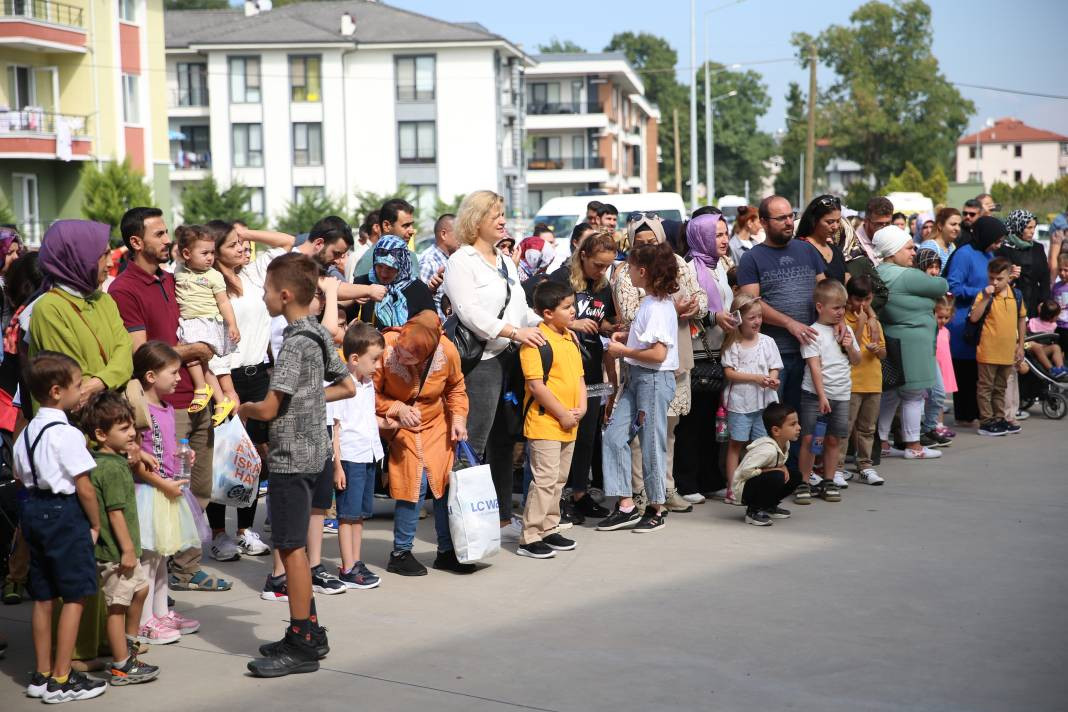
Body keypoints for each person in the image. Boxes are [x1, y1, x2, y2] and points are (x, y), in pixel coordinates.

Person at [238, 253, 356, 678]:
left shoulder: (292, 343)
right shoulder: (319, 335)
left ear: (284, 295)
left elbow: (270, 407)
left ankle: (303, 640)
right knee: (298, 548)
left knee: (291, 549)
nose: (264, 296)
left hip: (290, 459)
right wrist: (309, 401)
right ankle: (311, 631)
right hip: (318, 454)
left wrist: (244, 409)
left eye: (267, 290)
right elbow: (348, 384)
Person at [109, 208, 227, 593]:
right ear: (136, 242)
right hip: (163, 406)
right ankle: (165, 575)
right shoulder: (125, 289)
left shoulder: (172, 280)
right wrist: (190, 350)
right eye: (159, 234)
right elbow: (139, 353)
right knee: (169, 489)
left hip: (196, 394)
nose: (168, 241)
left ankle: (184, 566)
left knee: (200, 486)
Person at [443, 190, 543, 538]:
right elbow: (469, 312)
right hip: (480, 362)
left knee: (505, 440)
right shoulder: (462, 261)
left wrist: (546, 323)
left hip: (509, 357)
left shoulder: (505, 260)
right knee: (474, 442)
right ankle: (462, 522)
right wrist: (515, 331)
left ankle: (500, 514)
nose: (503, 220)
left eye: (502, 214)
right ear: (476, 221)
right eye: (495, 215)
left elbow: (519, 308)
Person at [16, 351, 106, 703]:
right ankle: (62, 677)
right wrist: (95, 523)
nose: (80, 391)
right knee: (74, 594)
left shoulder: (26, 433)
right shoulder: (67, 434)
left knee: (42, 596)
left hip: (34, 510)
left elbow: (23, 479)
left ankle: (41, 673)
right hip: (63, 511)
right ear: (57, 391)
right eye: (78, 385)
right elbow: (83, 485)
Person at [205, 221, 294, 560]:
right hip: (225, 376)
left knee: (252, 458)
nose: (243, 249)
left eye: (243, 243)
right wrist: (224, 391)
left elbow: (287, 240)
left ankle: (244, 530)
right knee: (224, 457)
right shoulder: (210, 285)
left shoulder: (256, 273)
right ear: (216, 252)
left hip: (259, 374)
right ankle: (218, 534)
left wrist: (248, 232)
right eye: (234, 245)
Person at [375, 311, 472, 576]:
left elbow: (456, 388)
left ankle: (447, 552)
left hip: (436, 422)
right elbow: (366, 392)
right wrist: (395, 407)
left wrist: (459, 419)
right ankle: (401, 553)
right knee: (413, 484)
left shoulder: (447, 351)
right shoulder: (386, 347)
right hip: (399, 425)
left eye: (412, 356)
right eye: (403, 352)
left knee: (443, 485)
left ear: (429, 351)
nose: (403, 358)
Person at [737, 195, 826, 477]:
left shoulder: (807, 250)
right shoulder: (752, 258)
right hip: (775, 356)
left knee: (806, 419)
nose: (789, 222)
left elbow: (825, 293)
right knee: (775, 420)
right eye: (781, 218)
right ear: (763, 222)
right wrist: (789, 323)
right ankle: (774, 474)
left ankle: (803, 474)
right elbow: (750, 302)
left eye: (791, 215)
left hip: (811, 352)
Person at [597, 242, 679, 533]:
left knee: (651, 445)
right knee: (613, 437)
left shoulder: (656, 306)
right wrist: (629, 336)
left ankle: (657, 507)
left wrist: (623, 351)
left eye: (629, 266)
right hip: (640, 378)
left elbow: (658, 355)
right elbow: (649, 342)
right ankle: (626, 505)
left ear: (642, 271)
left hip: (653, 380)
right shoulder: (652, 303)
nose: (625, 272)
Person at [81, 392, 160, 687]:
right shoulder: (111, 469)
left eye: (131, 427)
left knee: (140, 590)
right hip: (116, 552)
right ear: (101, 434)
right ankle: (122, 665)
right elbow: (115, 515)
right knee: (117, 606)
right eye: (124, 429)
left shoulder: (106, 461)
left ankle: (128, 643)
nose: (132, 433)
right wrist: (128, 550)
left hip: (121, 550)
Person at [131, 341, 204, 644]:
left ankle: (161, 612)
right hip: (149, 492)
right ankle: (144, 620)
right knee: (148, 560)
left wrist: (181, 457)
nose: (178, 378)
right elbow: (136, 459)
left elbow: (165, 448)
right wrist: (161, 482)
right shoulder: (139, 411)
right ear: (150, 376)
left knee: (162, 558)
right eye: (173, 372)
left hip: (169, 489)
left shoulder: (168, 408)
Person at [29, 220, 133, 411]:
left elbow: (125, 352)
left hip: (111, 424)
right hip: (74, 431)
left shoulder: (104, 300)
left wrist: (99, 382)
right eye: (103, 255)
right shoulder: (49, 308)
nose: (110, 263)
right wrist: (112, 378)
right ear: (79, 257)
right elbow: (72, 381)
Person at [549, 230, 615, 522]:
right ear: (583, 255)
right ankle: (559, 498)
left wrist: (612, 328)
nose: (602, 270)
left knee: (588, 434)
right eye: (598, 264)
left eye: (607, 266)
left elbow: (607, 319)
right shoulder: (561, 279)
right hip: (563, 370)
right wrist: (574, 324)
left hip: (593, 369)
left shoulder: (603, 286)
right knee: (565, 434)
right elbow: (541, 314)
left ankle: (580, 493)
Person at [516, 281, 585, 558]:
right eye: (566, 307)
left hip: (570, 421)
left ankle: (549, 526)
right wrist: (562, 414)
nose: (573, 311)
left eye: (572, 305)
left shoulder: (569, 338)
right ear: (547, 313)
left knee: (559, 479)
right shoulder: (536, 342)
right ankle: (529, 536)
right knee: (544, 480)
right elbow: (536, 386)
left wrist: (580, 408)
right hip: (546, 421)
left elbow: (579, 377)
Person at [675, 211, 735, 503]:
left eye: (725, 234)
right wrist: (714, 318)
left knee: (712, 421)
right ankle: (687, 482)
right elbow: (686, 309)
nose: (724, 240)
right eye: (717, 235)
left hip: (716, 353)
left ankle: (710, 478)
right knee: (691, 423)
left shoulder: (718, 267)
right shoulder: (688, 268)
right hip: (696, 353)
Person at [874, 226, 948, 459]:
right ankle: (913, 446)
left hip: (893, 339)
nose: (914, 252)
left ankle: (883, 442)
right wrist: (928, 297)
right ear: (893, 251)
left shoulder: (879, 272)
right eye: (908, 248)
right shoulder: (906, 275)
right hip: (913, 343)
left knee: (892, 394)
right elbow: (941, 285)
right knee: (914, 395)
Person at [329, 322, 385, 588]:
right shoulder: (342, 385)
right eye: (373, 360)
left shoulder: (368, 384)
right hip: (350, 457)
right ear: (354, 359)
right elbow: (336, 428)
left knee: (359, 515)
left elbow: (368, 418)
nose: (376, 366)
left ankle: (356, 561)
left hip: (367, 455)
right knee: (346, 516)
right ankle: (347, 566)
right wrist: (337, 465)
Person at [797, 280, 860, 504]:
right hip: (815, 395)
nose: (840, 312)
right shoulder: (813, 333)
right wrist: (822, 396)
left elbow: (857, 360)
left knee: (834, 439)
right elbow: (814, 366)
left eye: (843, 307)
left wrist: (850, 345)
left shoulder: (846, 330)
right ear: (819, 307)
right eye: (836, 307)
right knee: (810, 438)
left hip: (842, 393)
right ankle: (804, 481)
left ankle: (829, 480)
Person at [172, 225, 238, 423]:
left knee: (191, 353)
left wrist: (232, 324)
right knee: (202, 363)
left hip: (207, 321)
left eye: (212, 252)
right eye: (205, 253)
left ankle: (201, 389)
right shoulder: (179, 270)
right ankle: (220, 400)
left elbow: (223, 302)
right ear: (186, 254)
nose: (210, 257)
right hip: (190, 322)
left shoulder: (213, 275)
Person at [944, 217, 1006, 428]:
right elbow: (953, 286)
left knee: (980, 374)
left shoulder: (988, 253)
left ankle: (980, 414)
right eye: (996, 240)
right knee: (965, 371)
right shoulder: (964, 255)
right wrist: (980, 293)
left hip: (985, 322)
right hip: (964, 322)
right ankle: (964, 415)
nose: (998, 245)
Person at [721, 295, 782, 500]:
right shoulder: (733, 344)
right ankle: (733, 488)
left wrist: (772, 380)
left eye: (759, 316)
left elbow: (774, 367)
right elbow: (729, 373)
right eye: (751, 318)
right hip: (740, 403)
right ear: (739, 319)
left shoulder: (768, 342)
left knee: (762, 446)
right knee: (736, 444)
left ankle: (758, 487)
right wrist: (755, 378)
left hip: (763, 403)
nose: (757, 321)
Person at [970, 257, 1026, 436]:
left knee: (1001, 387)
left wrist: (1020, 346)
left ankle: (999, 418)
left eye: (999, 279)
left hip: (1007, 350)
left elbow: (1021, 318)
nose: (994, 282)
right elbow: (974, 318)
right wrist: (986, 297)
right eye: (991, 278)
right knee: (986, 387)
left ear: (1009, 277)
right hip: (987, 350)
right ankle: (986, 422)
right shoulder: (984, 295)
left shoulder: (1016, 296)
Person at [841, 275, 886, 485]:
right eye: (857, 300)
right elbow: (851, 348)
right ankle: (837, 467)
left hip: (873, 381)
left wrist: (878, 349)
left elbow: (884, 353)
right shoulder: (844, 318)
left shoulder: (874, 322)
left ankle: (865, 466)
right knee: (846, 427)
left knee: (868, 428)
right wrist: (860, 324)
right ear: (848, 298)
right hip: (852, 381)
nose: (861, 305)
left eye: (866, 300)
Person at [732, 403, 801, 526]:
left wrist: (782, 467)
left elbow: (778, 464)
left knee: (795, 476)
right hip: (742, 490)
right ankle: (753, 511)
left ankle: (768, 505)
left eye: (797, 423)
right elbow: (745, 471)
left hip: (756, 483)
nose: (798, 427)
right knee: (777, 476)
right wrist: (769, 471)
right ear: (776, 430)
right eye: (792, 424)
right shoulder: (767, 450)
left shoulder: (786, 444)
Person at [353, 235, 435, 328]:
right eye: (379, 266)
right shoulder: (363, 284)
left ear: (402, 266)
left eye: (390, 268)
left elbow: (431, 326)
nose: (383, 274)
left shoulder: (418, 289)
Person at [843, 197, 893, 312]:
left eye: (888, 223)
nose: (884, 228)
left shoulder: (893, 240)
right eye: (879, 224)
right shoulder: (854, 245)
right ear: (866, 221)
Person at [998, 209, 1050, 318]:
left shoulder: (1038, 248)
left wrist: (1044, 301)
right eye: (1029, 227)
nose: (1032, 231)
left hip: (1034, 304)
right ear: (1017, 227)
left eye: (1034, 227)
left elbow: (1045, 277)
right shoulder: (1002, 249)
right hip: (1011, 302)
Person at [353, 199, 417, 278]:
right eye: (406, 226)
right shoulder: (369, 260)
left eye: (411, 225)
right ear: (386, 226)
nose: (411, 231)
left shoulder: (411, 256)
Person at [796, 195, 847, 284]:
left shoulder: (836, 251)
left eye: (838, 221)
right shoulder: (801, 248)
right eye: (830, 222)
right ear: (814, 220)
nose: (835, 227)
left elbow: (847, 280)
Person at [418, 213, 458, 318]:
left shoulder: (455, 258)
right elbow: (420, 303)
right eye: (458, 232)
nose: (462, 236)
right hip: (438, 330)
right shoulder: (429, 261)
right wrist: (431, 290)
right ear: (443, 234)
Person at [1026, 300, 1067, 379]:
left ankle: (1061, 369)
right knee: (1037, 347)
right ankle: (1051, 369)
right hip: (1031, 348)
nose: (1058, 317)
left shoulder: (1052, 325)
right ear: (1050, 317)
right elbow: (1026, 337)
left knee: (1056, 347)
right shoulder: (1033, 322)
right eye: (1057, 316)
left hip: (1044, 348)